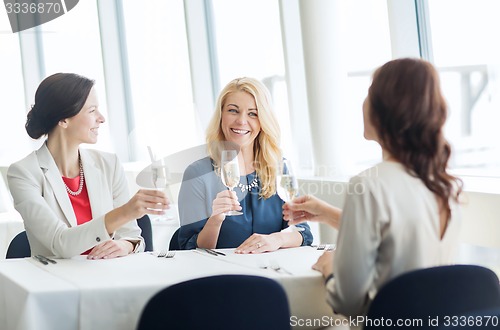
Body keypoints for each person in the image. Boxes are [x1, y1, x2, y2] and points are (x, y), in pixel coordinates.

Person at [283, 58, 462, 317]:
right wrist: (326, 213)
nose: (363, 103)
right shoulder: (445, 186)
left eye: (369, 92)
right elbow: (401, 237)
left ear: (385, 109)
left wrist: (330, 269)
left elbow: (347, 302)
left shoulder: (369, 185)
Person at [7, 73, 169, 259]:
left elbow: (132, 236)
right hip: (57, 281)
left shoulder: (109, 164)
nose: (101, 118)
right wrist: (125, 212)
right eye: (92, 111)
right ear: (64, 120)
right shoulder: (23, 173)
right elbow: (60, 243)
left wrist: (125, 246)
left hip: (109, 275)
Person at [178, 77, 312, 252]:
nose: (241, 121)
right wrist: (216, 219)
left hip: (271, 269)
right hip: (218, 274)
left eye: (253, 113)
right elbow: (189, 247)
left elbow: (303, 233)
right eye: (233, 111)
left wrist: (277, 239)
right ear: (221, 116)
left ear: (263, 121)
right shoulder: (197, 173)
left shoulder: (279, 168)